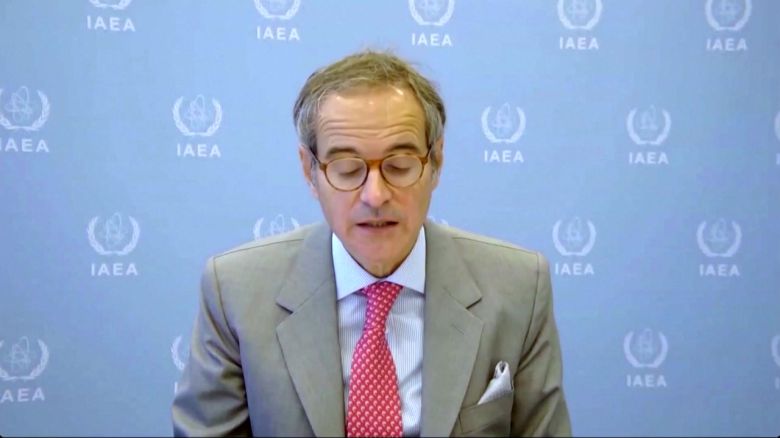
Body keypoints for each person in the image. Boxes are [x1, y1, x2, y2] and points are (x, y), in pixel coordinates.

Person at [172, 50, 571, 437]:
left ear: (435, 162)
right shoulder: (236, 292)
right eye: (347, 169)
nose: (375, 195)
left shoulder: (519, 287)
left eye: (399, 166)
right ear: (310, 171)